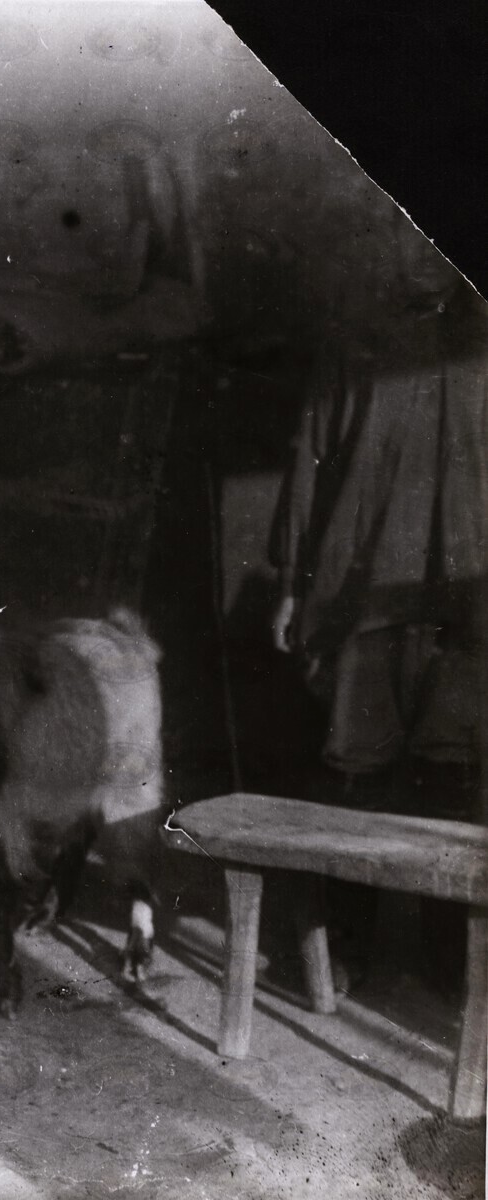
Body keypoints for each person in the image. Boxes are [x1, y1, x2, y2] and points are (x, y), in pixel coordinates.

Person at [269, 222, 487, 983]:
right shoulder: (353, 342)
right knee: (356, 775)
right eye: (409, 232)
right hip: (361, 606)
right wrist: (292, 587)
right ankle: (342, 955)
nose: (425, 250)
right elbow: (309, 462)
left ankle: (450, 965)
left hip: (467, 614)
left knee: (450, 779)